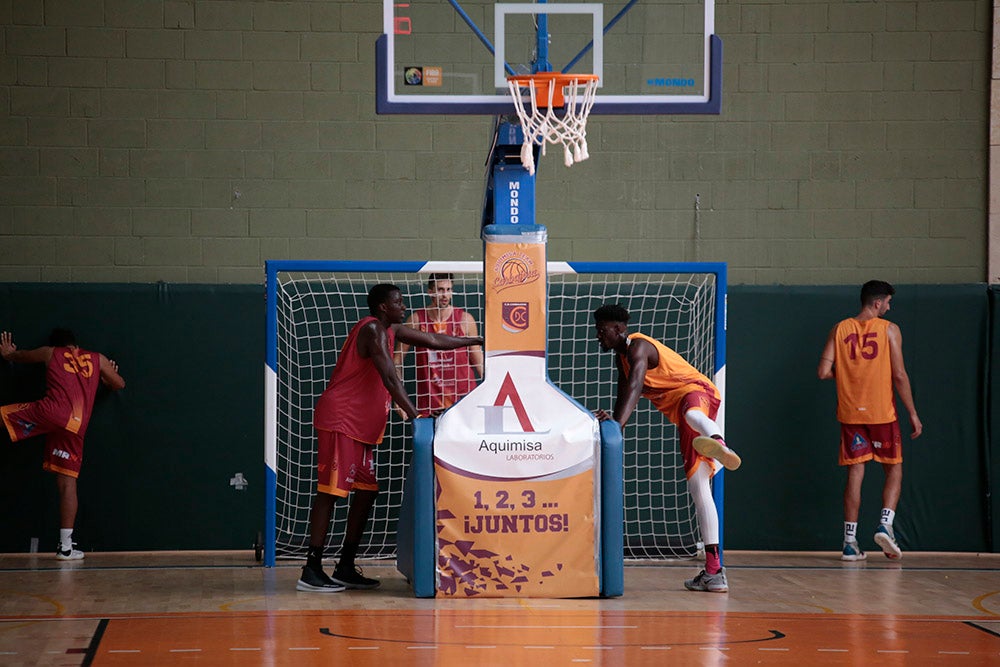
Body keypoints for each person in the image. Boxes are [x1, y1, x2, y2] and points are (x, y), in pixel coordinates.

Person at [298, 283, 484, 593]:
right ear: (383, 307)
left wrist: (476, 339)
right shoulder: (372, 329)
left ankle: (345, 565)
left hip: (363, 426)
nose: (403, 305)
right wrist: (417, 415)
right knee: (330, 492)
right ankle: (311, 568)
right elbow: (390, 376)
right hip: (342, 419)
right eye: (398, 302)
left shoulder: (392, 328)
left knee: (367, 492)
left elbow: (435, 340)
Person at [592, 304, 740, 594]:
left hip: (698, 393)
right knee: (700, 490)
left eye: (602, 331)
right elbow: (623, 399)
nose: (599, 336)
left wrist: (617, 427)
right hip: (691, 421)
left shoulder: (639, 347)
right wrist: (614, 426)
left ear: (619, 329)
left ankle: (719, 441)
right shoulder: (622, 359)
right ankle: (714, 572)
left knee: (691, 413)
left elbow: (635, 387)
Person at [818, 280, 922, 562]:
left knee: (855, 473)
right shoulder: (889, 330)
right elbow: (899, 375)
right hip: (881, 413)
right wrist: (912, 412)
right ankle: (885, 524)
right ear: (877, 303)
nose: (889, 306)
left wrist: (852, 373)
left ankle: (850, 543)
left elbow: (823, 371)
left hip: (851, 413)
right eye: (887, 302)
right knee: (894, 469)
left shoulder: (840, 329)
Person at [0, 328, 125, 561]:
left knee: (4, 415)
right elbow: (119, 384)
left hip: (52, 413)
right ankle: (66, 548)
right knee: (68, 483)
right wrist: (107, 378)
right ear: (75, 344)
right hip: (76, 425)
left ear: (57, 345)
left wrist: (9, 354)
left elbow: (22, 356)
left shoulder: (50, 353)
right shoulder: (97, 359)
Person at [393, 273, 483, 417]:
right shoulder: (416, 320)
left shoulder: (465, 319)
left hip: (463, 399)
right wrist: (398, 399)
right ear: (430, 292)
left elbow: (480, 363)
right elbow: (397, 360)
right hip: (430, 400)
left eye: (448, 289)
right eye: (440, 290)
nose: (445, 294)